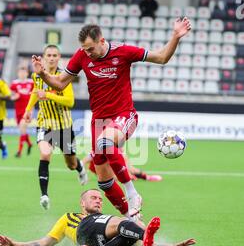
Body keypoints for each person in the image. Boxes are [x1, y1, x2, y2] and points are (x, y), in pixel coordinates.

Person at [31, 20, 191, 221]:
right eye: (84, 49)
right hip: (99, 121)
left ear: (101, 41)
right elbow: (60, 84)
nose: (87, 53)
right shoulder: (82, 56)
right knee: (104, 181)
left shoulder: (123, 52)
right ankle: (132, 219)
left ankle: (133, 194)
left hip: (124, 115)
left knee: (105, 143)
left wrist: (176, 36)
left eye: (90, 49)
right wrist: (43, 74)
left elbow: (161, 57)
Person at [0, 189, 196, 246]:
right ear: (82, 203)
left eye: (100, 198)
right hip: (85, 232)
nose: (99, 200)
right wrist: (16, 243)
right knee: (124, 222)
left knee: (129, 235)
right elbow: (45, 242)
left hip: (101, 245)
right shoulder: (69, 218)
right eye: (94, 198)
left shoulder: (107, 222)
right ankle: (144, 231)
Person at [23, 45, 88, 210]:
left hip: (64, 126)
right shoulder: (37, 75)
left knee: (70, 164)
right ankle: (44, 195)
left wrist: (49, 95)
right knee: (45, 153)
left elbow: (70, 101)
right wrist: (28, 110)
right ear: (44, 57)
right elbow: (36, 91)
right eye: (48, 55)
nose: (51, 58)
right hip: (45, 124)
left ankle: (80, 167)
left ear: (59, 57)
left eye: (54, 55)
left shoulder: (64, 76)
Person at [82, 152, 162, 182]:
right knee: (111, 178)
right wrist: (83, 173)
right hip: (97, 167)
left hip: (110, 164)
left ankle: (147, 177)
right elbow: (84, 161)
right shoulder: (98, 150)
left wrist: (128, 174)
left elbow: (127, 166)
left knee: (132, 170)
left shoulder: (119, 151)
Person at [10, 66, 34, 158]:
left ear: (27, 73)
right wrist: (14, 97)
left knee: (22, 127)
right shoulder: (14, 84)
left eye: (24, 72)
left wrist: (31, 109)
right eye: (21, 72)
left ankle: (19, 151)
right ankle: (29, 144)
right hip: (18, 111)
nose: (22, 74)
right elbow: (10, 95)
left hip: (28, 110)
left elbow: (35, 94)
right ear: (18, 73)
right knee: (22, 130)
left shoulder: (31, 83)